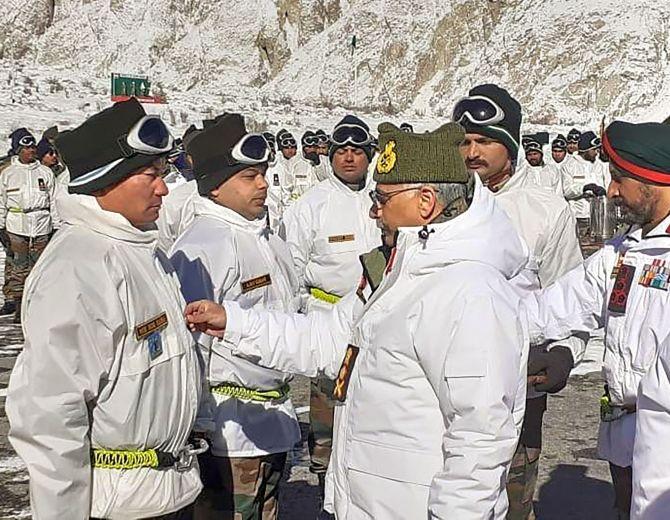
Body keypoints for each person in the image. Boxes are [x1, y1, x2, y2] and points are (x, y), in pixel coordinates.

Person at [185, 121, 529, 518]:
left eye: (382, 199)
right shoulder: (400, 273)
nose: (373, 211)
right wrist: (233, 323)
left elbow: (481, 436)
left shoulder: (470, 291)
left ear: (425, 202)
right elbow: (325, 340)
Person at [5, 98, 208, 519]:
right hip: (116, 507)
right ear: (104, 181)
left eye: (164, 173)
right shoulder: (79, 267)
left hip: (165, 493)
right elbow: (50, 417)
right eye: (150, 175)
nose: (164, 188)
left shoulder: (143, 250)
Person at [525, 120, 670, 520]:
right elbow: (554, 306)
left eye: (619, 179)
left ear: (652, 179)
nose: (611, 191)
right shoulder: (623, 251)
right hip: (622, 438)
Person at [453, 83, 586, 520]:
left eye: (485, 141)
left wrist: (566, 351)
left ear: (509, 144)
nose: (472, 152)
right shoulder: (443, 200)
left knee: (511, 498)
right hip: (448, 378)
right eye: (465, 141)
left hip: (518, 377)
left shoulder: (544, 209)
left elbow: (571, 296)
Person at [169, 114, 301, 519]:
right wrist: (201, 424)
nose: (263, 184)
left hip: (272, 422)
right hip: (229, 434)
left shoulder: (267, 238)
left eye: (263, 173)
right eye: (249, 175)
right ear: (216, 185)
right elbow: (190, 346)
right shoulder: (201, 247)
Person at [280, 114, 381, 507]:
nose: (350, 159)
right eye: (342, 151)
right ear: (331, 155)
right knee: (327, 425)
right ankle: (327, 498)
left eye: (358, 151)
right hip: (328, 325)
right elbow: (289, 270)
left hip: (376, 321)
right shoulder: (311, 205)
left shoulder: (384, 198)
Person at [0, 128, 60, 323]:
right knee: (18, 268)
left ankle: (36, 306)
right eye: (27, 147)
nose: (32, 150)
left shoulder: (45, 173)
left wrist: (57, 226)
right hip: (17, 226)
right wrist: (1, 227)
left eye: (33, 147)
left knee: (40, 268)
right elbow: (1, 201)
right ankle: (17, 306)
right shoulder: (8, 173)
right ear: (19, 150)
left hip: (41, 225)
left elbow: (54, 201)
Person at [561, 130, 610, 237]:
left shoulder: (600, 165)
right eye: (593, 150)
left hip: (598, 217)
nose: (596, 152)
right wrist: (584, 188)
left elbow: (607, 184)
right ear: (585, 150)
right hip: (578, 217)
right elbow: (567, 191)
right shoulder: (568, 166)